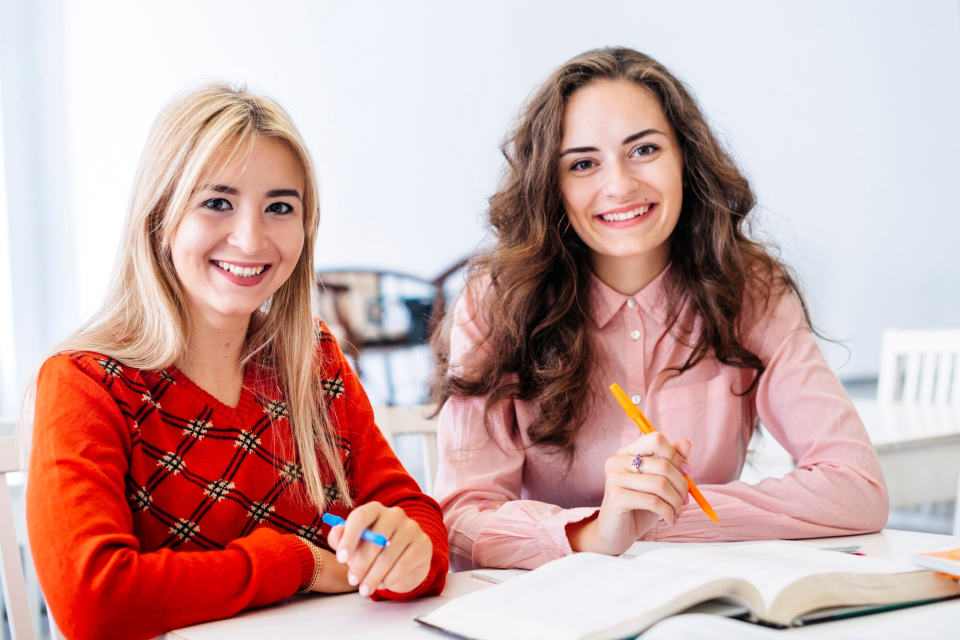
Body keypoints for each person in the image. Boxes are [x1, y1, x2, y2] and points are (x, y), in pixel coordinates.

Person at [431, 47, 888, 571]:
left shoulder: (751, 290)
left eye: (644, 150)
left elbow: (857, 486)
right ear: (550, 186)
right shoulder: (495, 304)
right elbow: (463, 519)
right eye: (583, 163)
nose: (620, 185)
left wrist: (656, 518)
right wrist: (595, 531)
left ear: (684, 159)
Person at [25, 83, 448, 640]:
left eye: (279, 207)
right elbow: (93, 600)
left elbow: (413, 518)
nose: (250, 238)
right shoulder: (84, 382)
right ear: (161, 214)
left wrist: (410, 555)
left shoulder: (313, 358)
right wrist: (300, 564)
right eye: (217, 202)